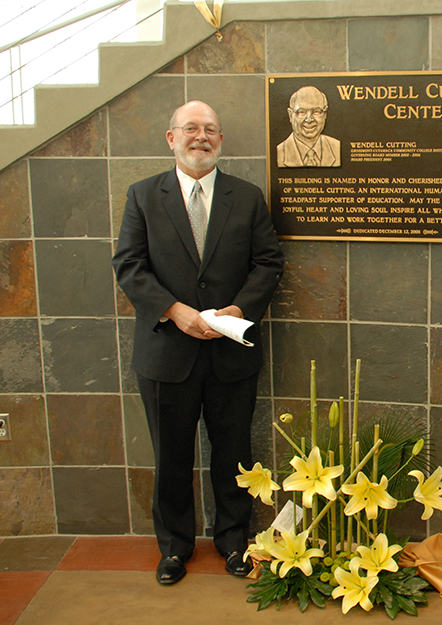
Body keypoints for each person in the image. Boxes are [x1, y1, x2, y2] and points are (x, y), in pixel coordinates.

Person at [112, 101, 285, 585]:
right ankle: (173, 548)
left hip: (231, 351)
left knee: (233, 452)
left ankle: (234, 542)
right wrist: (175, 310)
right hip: (167, 352)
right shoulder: (144, 196)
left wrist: (239, 310)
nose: (201, 137)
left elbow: (268, 262)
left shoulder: (247, 197)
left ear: (221, 140)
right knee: (171, 456)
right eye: (191, 128)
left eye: (210, 130)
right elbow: (129, 264)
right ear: (171, 138)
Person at [276, 85, 341, 167]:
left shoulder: (337, 148)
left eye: (316, 111)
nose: (309, 119)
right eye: (301, 112)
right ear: (290, 115)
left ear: (325, 114)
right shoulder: (280, 152)